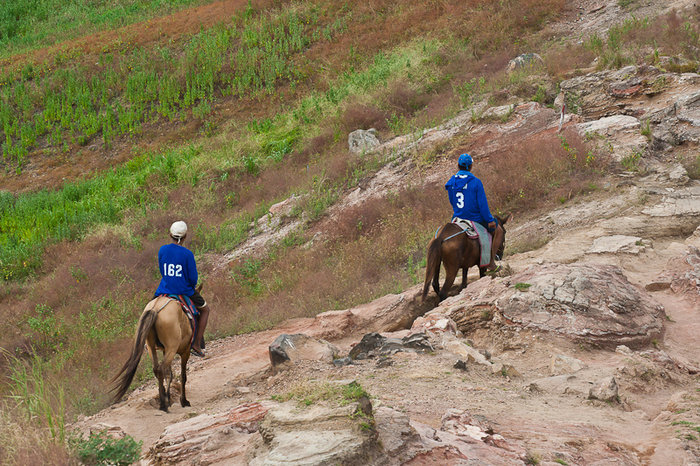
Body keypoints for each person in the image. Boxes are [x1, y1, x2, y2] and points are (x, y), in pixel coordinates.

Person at [155, 221, 210, 357]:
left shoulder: (162, 250)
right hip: (184, 290)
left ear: (170, 235)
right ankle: (196, 345)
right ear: (184, 237)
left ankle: (149, 342)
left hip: (164, 289)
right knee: (205, 310)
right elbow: (193, 279)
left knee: (151, 309)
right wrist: (189, 286)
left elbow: (163, 271)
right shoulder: (187, 254)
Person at [444, 153, 503, 272]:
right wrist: (490, 220)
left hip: (457, 217)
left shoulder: (451, 182)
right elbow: (482, 205)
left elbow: (452, 201)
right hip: (473, 217)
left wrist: (459, 211)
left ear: (458, 166)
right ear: (470, 166)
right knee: (499, 230)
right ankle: (491, 262)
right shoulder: (476, 182)